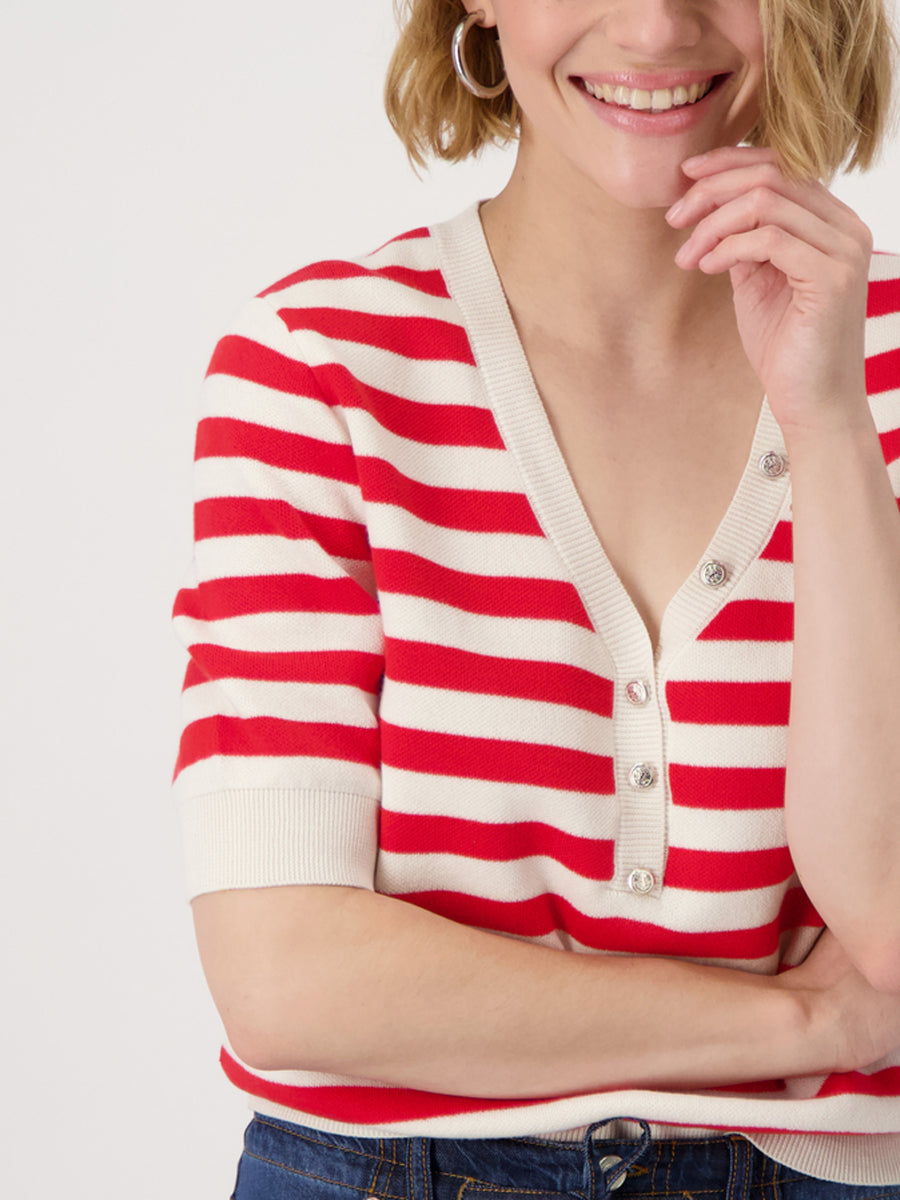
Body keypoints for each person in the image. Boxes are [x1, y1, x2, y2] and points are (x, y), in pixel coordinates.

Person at [172, 0, 900, 1195]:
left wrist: (827, 416)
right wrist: (807, 1030)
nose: (659, 27)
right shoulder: (313, 369)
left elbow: (885, 927)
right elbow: (284, 977)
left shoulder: (877, 363)